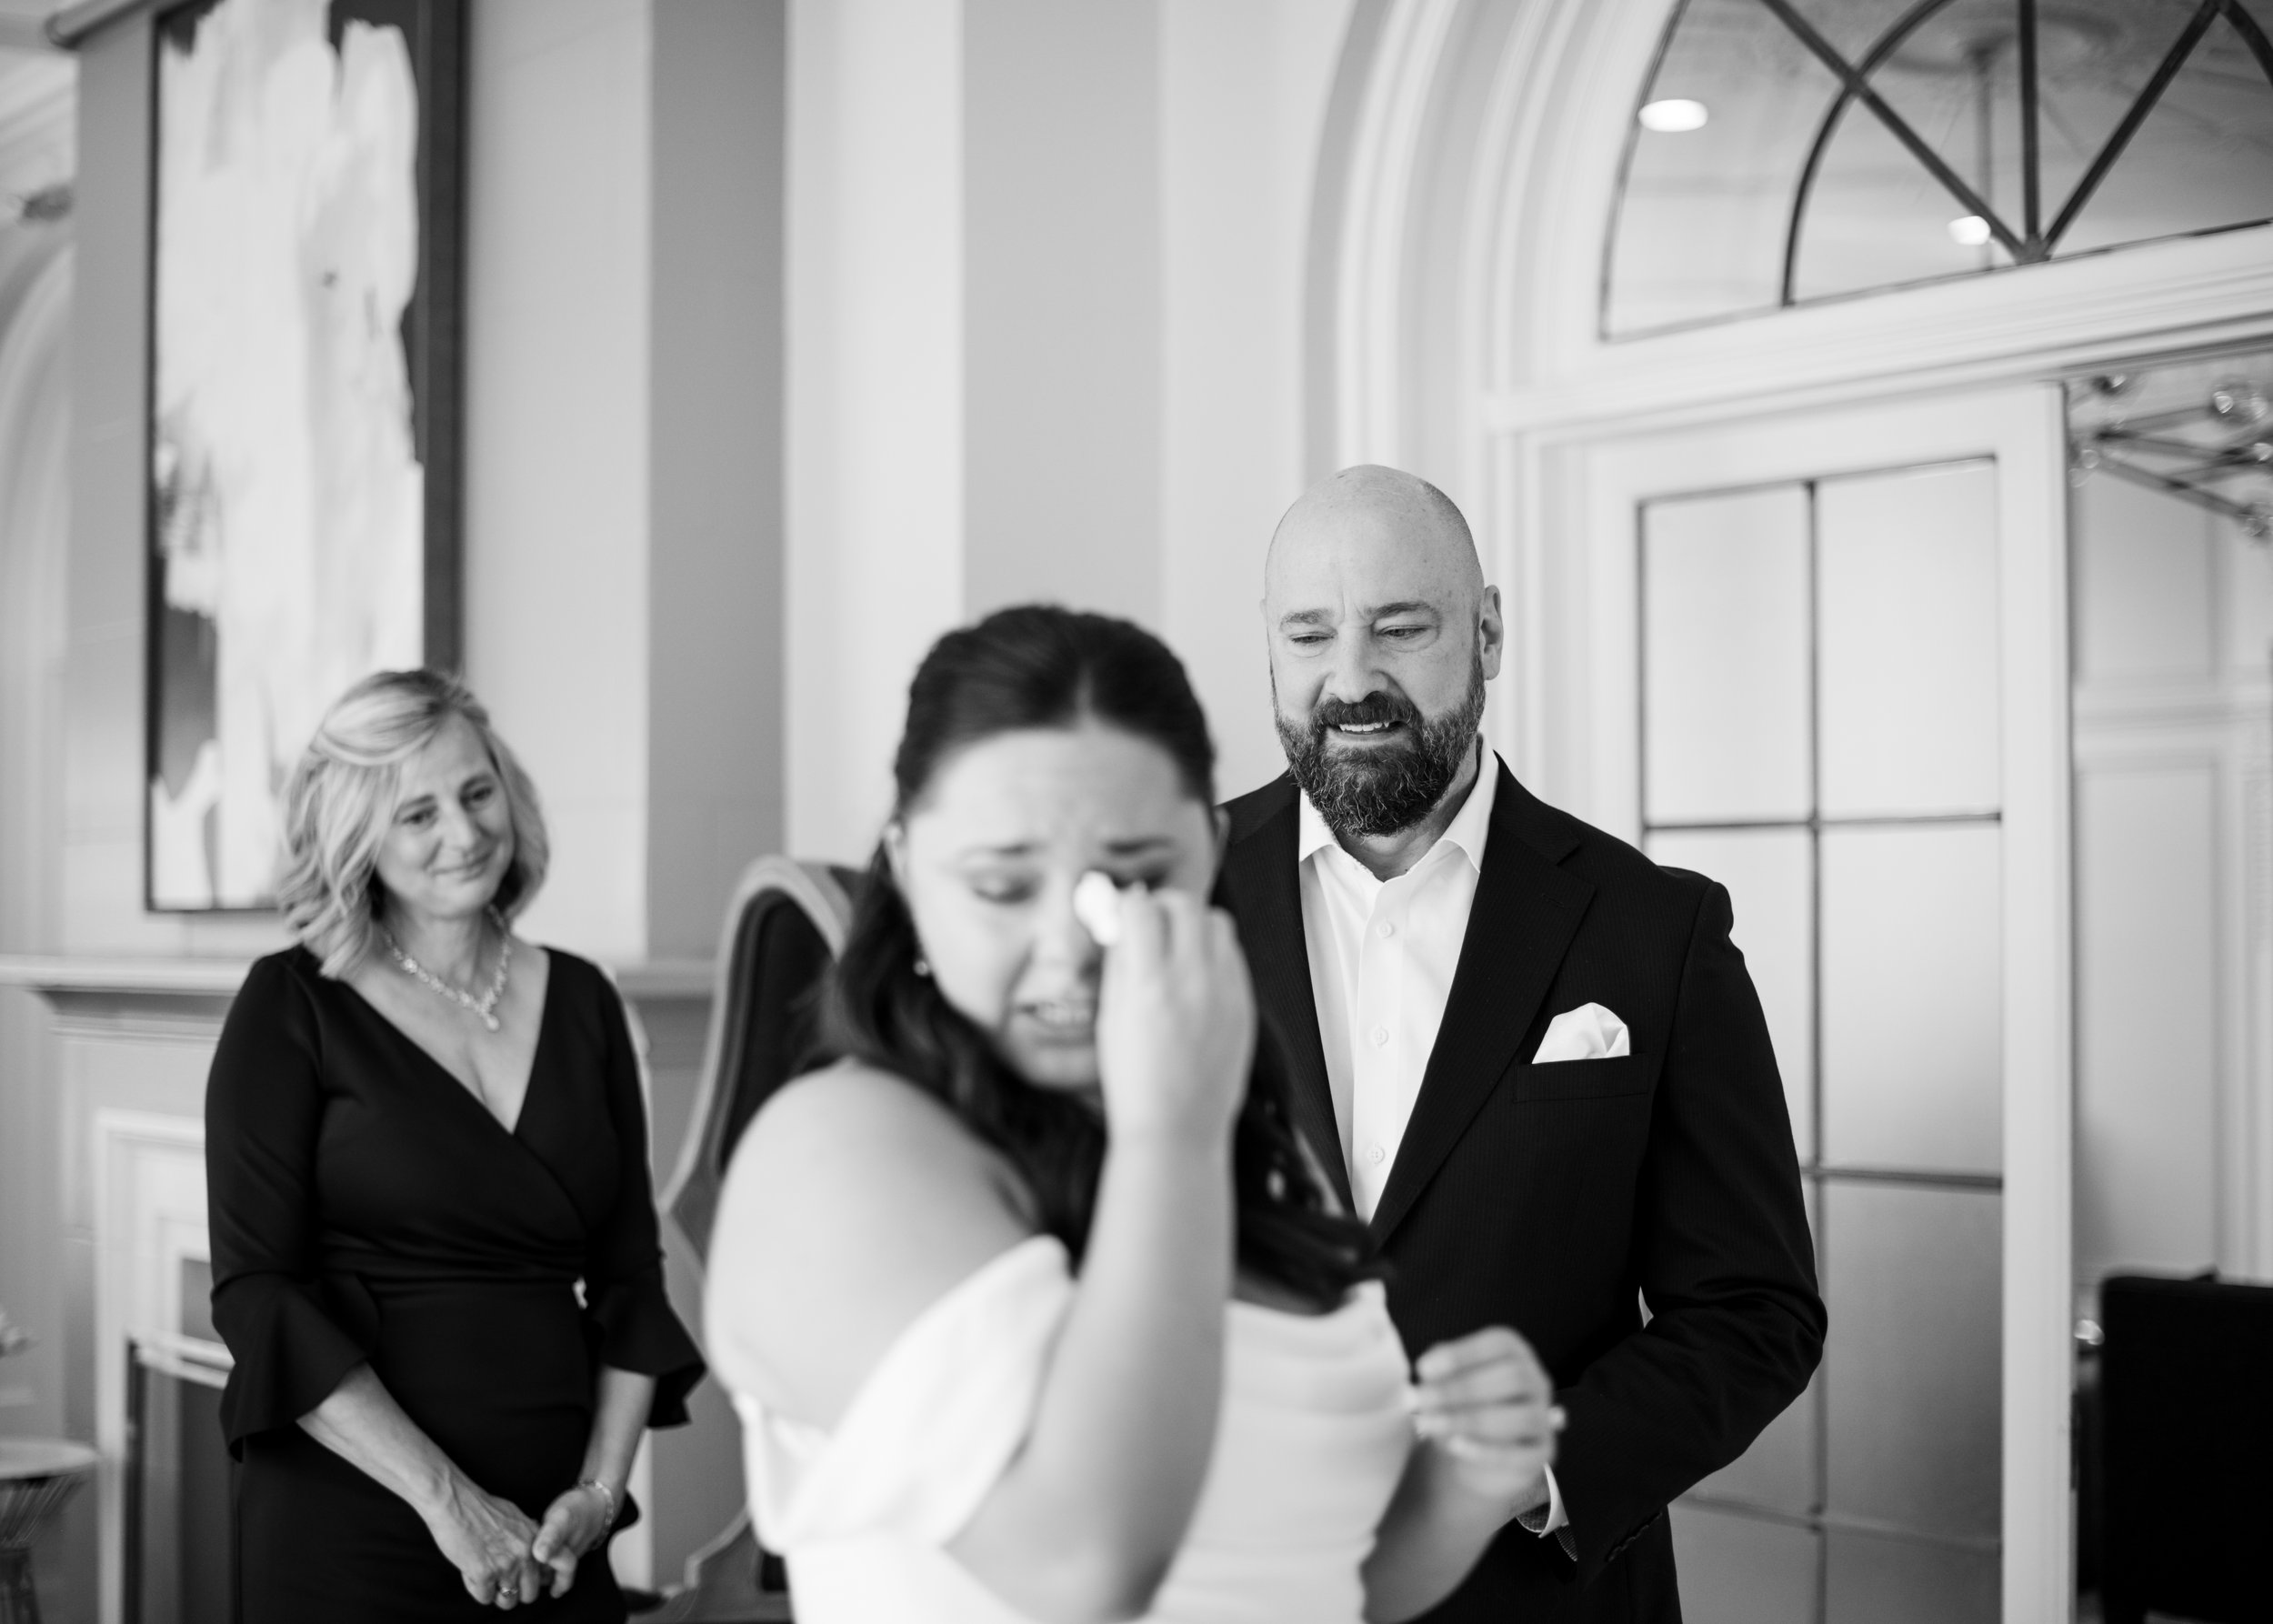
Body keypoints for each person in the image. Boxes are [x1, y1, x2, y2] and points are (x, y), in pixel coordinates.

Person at [705, 606, 1567, 1623]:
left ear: (1208, 854)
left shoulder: (1234, 1127)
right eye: (1001, 883)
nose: (1070, 945)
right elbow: (1085, 1571)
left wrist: (1461, 1484)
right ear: (902, 863)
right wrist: (1170, 1137)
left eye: (1134, 876)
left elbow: (1326, 1581)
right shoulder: (832, 1153)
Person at [1216, 466, 1827, 1623]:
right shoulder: (1166, 892)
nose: (1352, 680)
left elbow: (1755, 1306)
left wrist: (1538, 1461)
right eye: (1310, 633)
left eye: (1401, 626)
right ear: (1270, 649)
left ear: (1487, 631)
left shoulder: (1656, 929)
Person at [205, 669, 706, 1622]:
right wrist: (450, 1504)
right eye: (417, 814)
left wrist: (599, 1496)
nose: (466, 834)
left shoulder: (586, 1000)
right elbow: (258, 1296)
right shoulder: (291, 1005)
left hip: (556, 1527)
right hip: (353, 1517)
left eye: (478, 793)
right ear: (358, 835)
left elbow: (632, 1280)